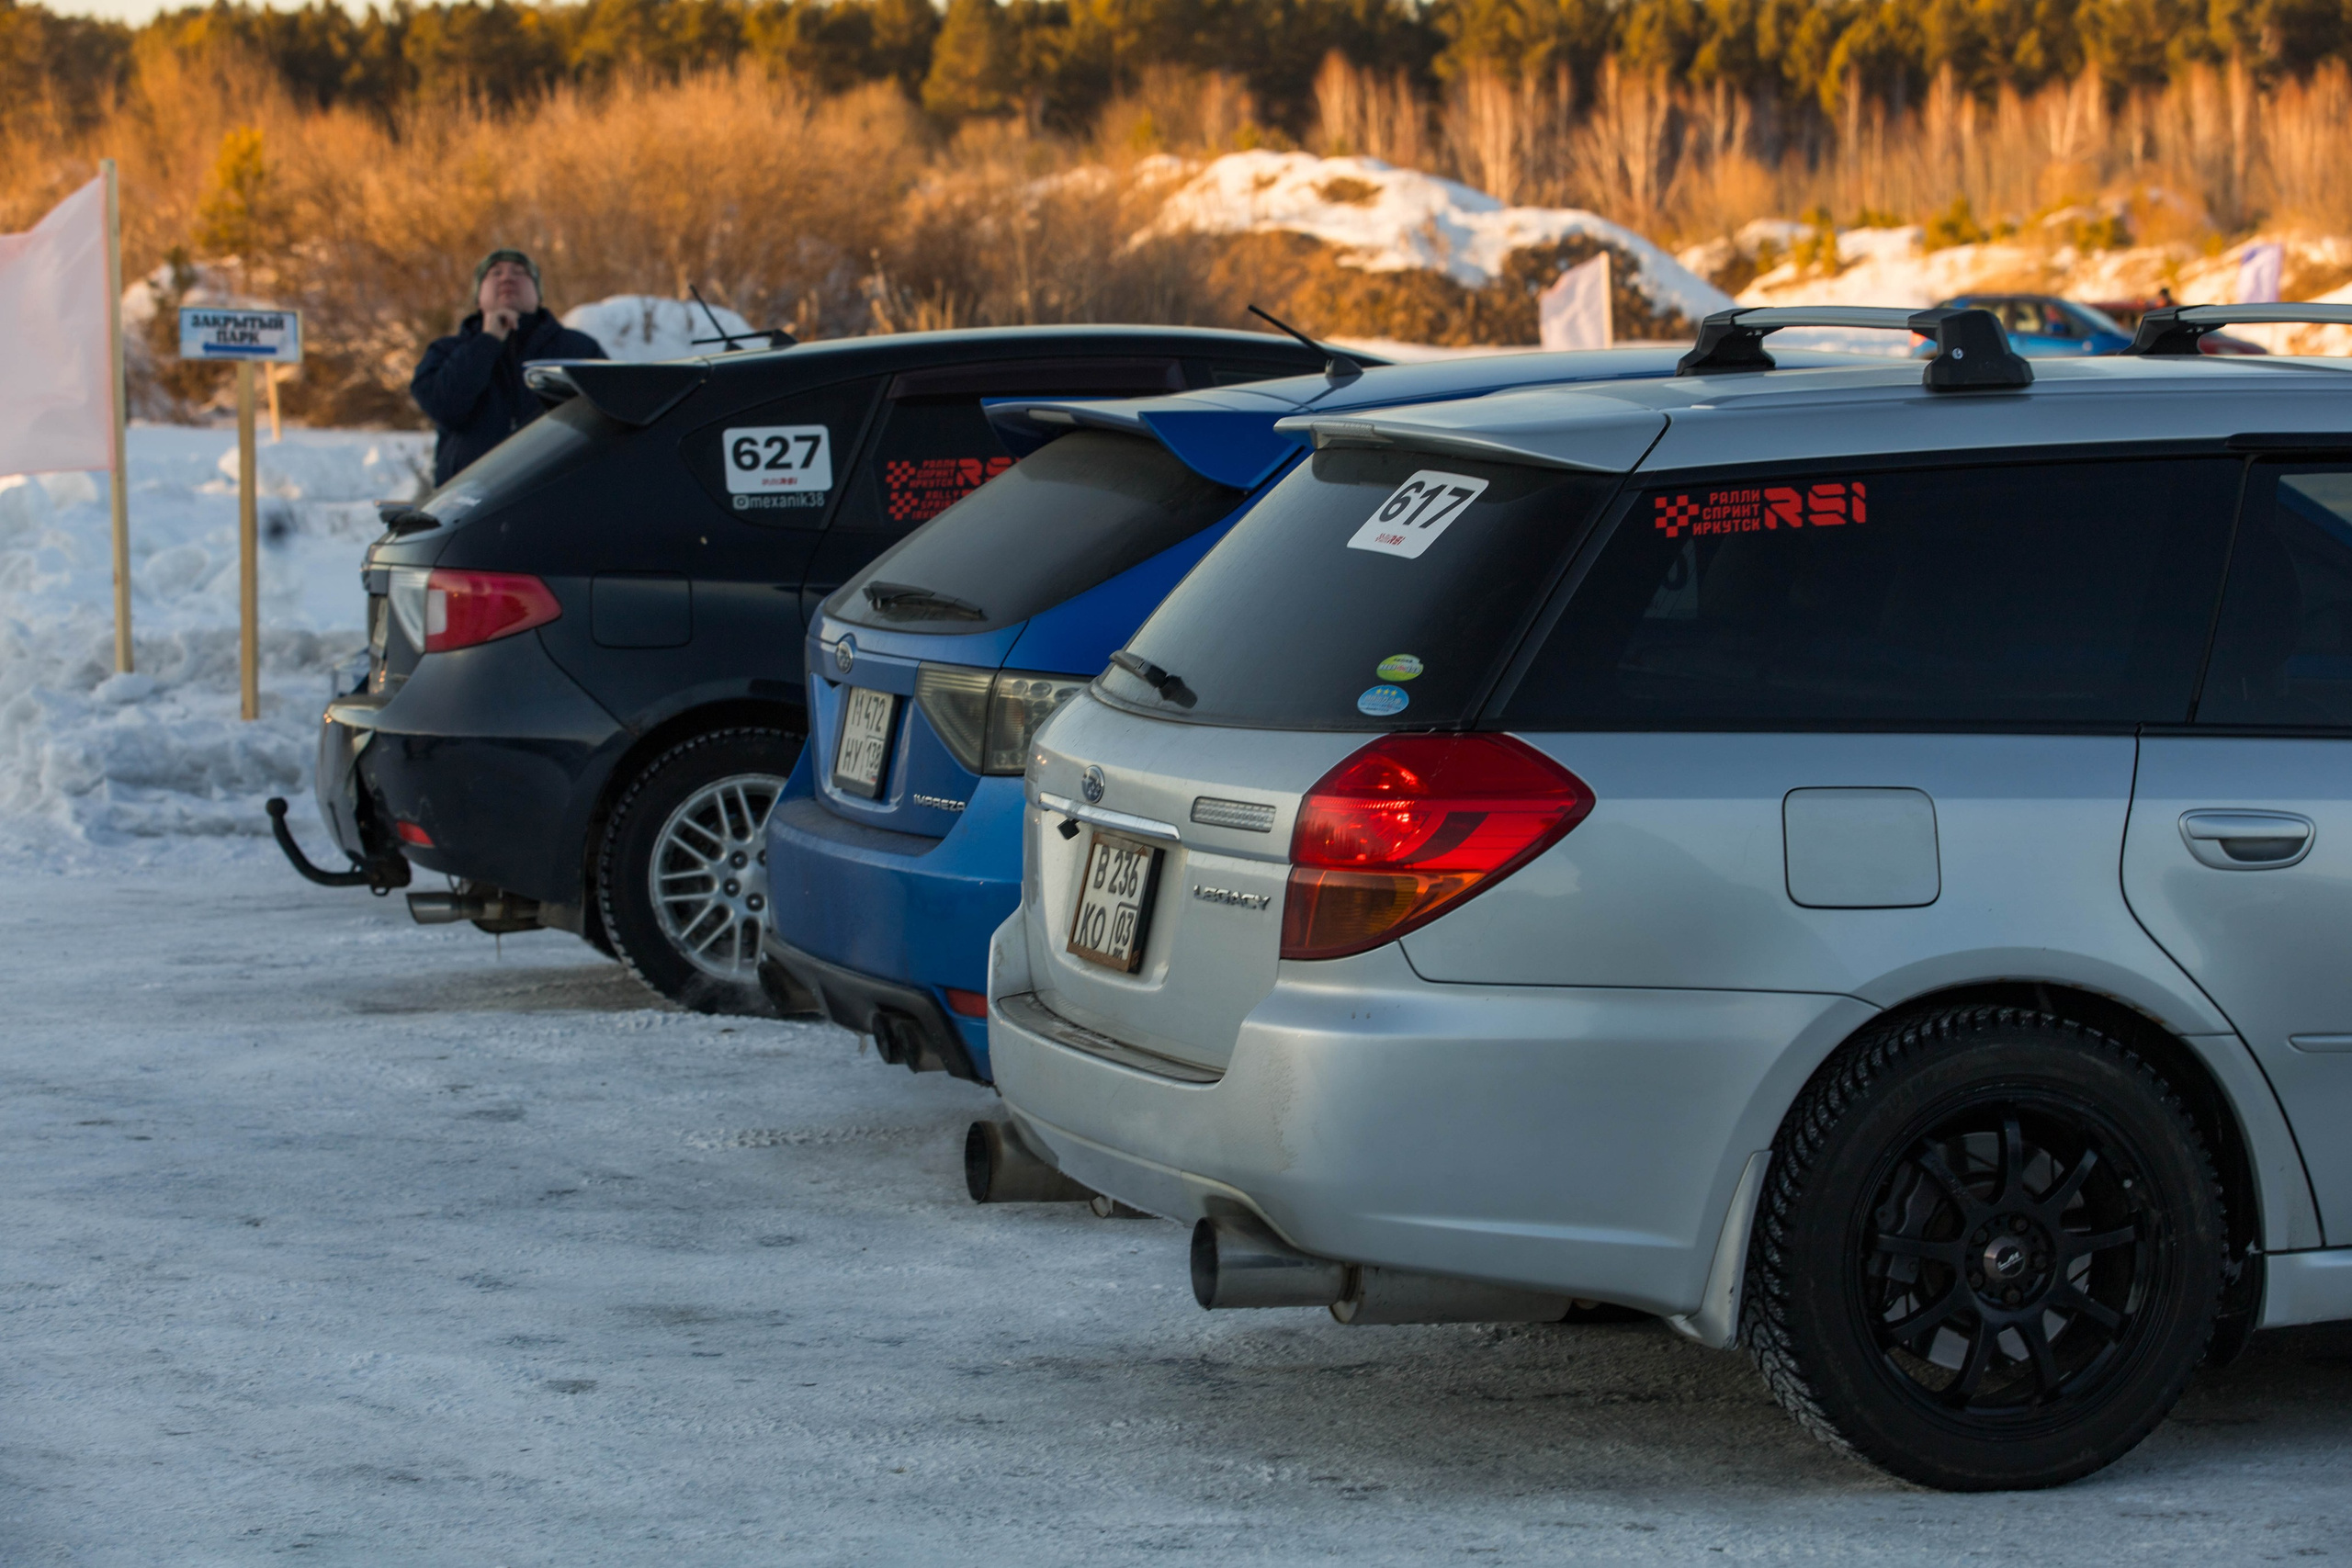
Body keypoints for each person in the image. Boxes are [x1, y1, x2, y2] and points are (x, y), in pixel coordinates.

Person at [412, 249, 606, 486]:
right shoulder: (445, 351)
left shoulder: (579, 349)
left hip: (557, 495)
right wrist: (488, 340)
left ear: (537, 294)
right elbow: (444, 406)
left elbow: (609, 414)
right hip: (469, 502)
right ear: (478, 295)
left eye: (520, 272)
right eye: (495, 273)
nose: (507, 278)